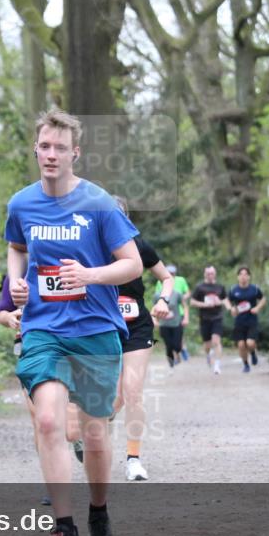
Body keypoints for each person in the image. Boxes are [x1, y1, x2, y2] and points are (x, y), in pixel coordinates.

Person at [5, 108, 142, 536]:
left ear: (74, 153)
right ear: (36, 149)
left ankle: (98, 512)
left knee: (95, 434)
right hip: (44, 329)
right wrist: (16, 283)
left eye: (60, 147)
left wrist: (89, 274)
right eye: (44, 145)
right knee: (47, 422)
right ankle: (64, 530)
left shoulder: (99, 203)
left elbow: (133, 264)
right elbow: (16, 247)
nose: (50, 154)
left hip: (96, 330)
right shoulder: (21, 203)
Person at [0, 277, 83, 509]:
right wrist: (10, 318)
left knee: (72, 429)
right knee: (40, 419)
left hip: (71, 346)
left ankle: (78, 440)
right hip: (31, 350)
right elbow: (2, 312)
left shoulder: (70, 264)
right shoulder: (17, 275)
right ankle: (52, 482)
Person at [110, 198, 173, 481]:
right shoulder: (91, 248)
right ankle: (90, 426)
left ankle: (133, 459)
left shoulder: (139, 246)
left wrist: (163, 300)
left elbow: (166, 278)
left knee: (133, 392)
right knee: (111, 398)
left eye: (118, 216)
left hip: (136, 328)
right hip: (101, 328)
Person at [226, 266, 266, 373]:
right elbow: (227, 300)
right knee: (241, 345)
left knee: (250, 343)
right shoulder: (233, 290)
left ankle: (252, 353)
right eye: (241, 274)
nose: (243, 277)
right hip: (239, 321)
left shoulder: (254, 289)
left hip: (251, 320)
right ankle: (246, 364)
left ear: (249, 277)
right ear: (238, 277)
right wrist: (231, 309)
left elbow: (263, 299)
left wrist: (257, 308)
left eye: (245, 274)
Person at [190, 265, 227, 374]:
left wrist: (219, 302)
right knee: (207, 345)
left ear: (215, 274)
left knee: (216, 340)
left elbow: (225, 300)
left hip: (217, 317)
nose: (210, 275)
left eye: (212, 273)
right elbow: (192, 302)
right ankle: (208, 354)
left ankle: (217, 366)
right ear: (205, 274)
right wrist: (205, 304)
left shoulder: (220, 286)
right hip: (205, 318)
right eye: (208, 273)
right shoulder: (200, 287)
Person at [156, 264, 190, 361]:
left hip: (179, 310)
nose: (171, 275)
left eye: (173, 273)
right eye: (169, 273)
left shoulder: (181, 280)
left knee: (179, 335)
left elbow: (187, 293)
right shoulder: (161, 281)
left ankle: (181, 349)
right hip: (166, 311)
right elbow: (158, 296)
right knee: (170, 338)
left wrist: (180, 297)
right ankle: (176, 354)